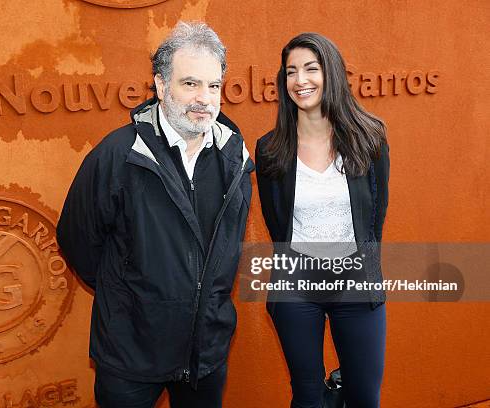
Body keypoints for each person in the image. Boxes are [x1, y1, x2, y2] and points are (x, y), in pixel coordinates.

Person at [57, 21, 254, 408]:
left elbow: (227, 246)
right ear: (161, 87)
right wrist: (131, 292)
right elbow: (78, 238)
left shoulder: (235, 156)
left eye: (213, 86)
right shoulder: (118, 155)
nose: (204, 98)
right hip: (131, 350)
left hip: (205, 352)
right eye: (190, 84)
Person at [255, 32, 390, 408]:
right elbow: (275, 221)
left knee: (364, 396)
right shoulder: (270, 149)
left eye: (311, 69)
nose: (301, 81)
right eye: (291, 72)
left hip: (356, 282)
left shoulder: (370, 136)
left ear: (329, 72)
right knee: (308, 396)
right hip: (297, 285)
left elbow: (374, 217)